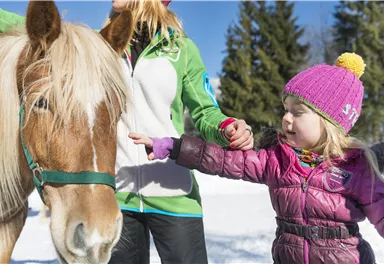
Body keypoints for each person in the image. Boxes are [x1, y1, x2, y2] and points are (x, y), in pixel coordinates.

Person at [0, 1, 254, 263]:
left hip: (172, 190)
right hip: (116, 195)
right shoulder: (96, 46)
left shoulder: (182, 50)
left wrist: (226, 127)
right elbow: (30, 26)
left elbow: (205, 112)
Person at [131, 52, 384, 264]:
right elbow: (221, 159)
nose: (286, 118)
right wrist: (174, 147)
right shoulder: (277, 160)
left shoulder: (357, 169)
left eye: (298, 112)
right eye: (286, 110)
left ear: (330, 122)